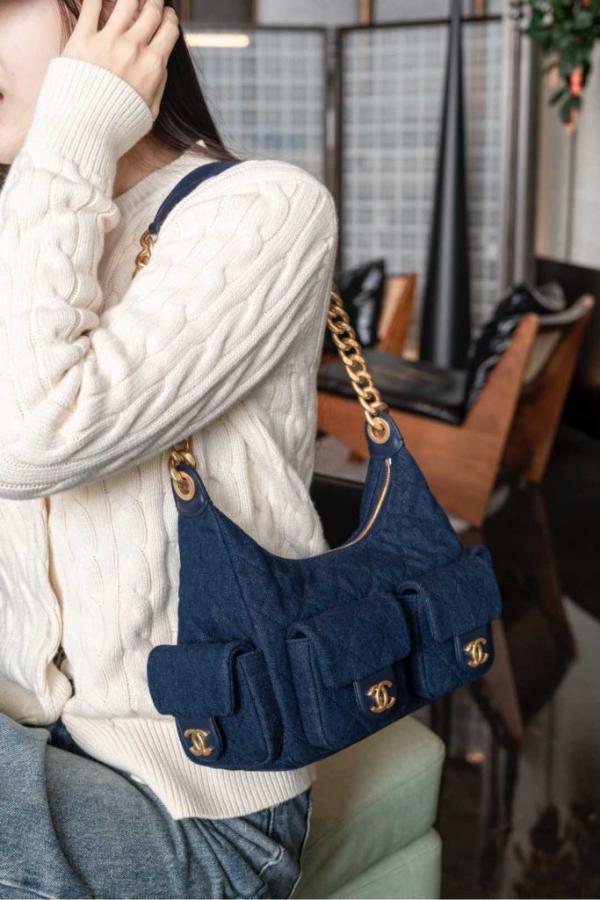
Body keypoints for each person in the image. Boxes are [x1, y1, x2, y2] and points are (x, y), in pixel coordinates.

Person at [0, 0, 338, 896]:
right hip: (27, 744)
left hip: (199, 803)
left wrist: (75, 129)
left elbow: (28, 437)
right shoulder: (18, 232)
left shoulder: (263, 210)